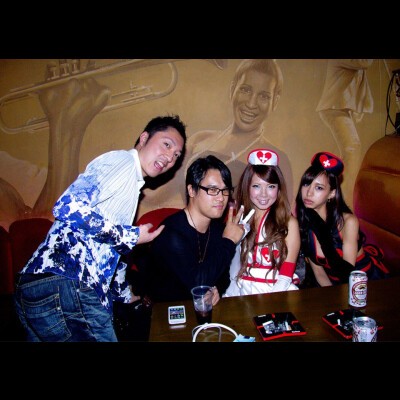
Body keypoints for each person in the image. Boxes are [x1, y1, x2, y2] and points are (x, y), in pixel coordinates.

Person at [13, 114, 187, 342]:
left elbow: (111, 250)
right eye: (167, 145)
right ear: (144, 138)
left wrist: (125, 295)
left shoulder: (130, 185)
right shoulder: (123, 162)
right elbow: (68, 206)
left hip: (40, 289)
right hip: (69, 283)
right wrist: (132, 235)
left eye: (176, 155)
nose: (170, 158)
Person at [139, 59, 294, 215]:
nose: (251, 103)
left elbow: (282, 218)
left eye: (264, 96)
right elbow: (156, 197)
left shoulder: (278, 159)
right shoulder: (199, 139)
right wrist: (134, 168)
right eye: (245, 90)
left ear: (275, 102)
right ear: (233, 89)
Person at [141, 155, 246, 305]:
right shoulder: (171, 233)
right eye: (212, 190)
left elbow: (223, 275)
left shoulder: (217, 228)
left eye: (225, 190)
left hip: (200, 311)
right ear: (191, 190)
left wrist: (217, 289)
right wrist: (229, 241)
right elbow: (198, 284)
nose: (221, 198)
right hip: (164, 312)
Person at [294, 151, 389, 287]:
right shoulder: (303, 222)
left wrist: (320, 230)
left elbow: (346, 274)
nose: (309, 192)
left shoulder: (348, 222)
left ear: (331, 194)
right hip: (333, 287)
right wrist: (332, 297)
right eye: (306, 184)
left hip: (364, 284)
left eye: (319, 188)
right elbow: (319, 273)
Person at [224, 149, 300, 297]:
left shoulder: (289, 223)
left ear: (279, 189)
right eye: (256, 186)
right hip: (241, 291)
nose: (263, 194)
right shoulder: (239, 220)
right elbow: (231, 266)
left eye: (271, 186)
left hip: (276, 292)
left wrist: (270, 302)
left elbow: (286, 273)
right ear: (247, 187)